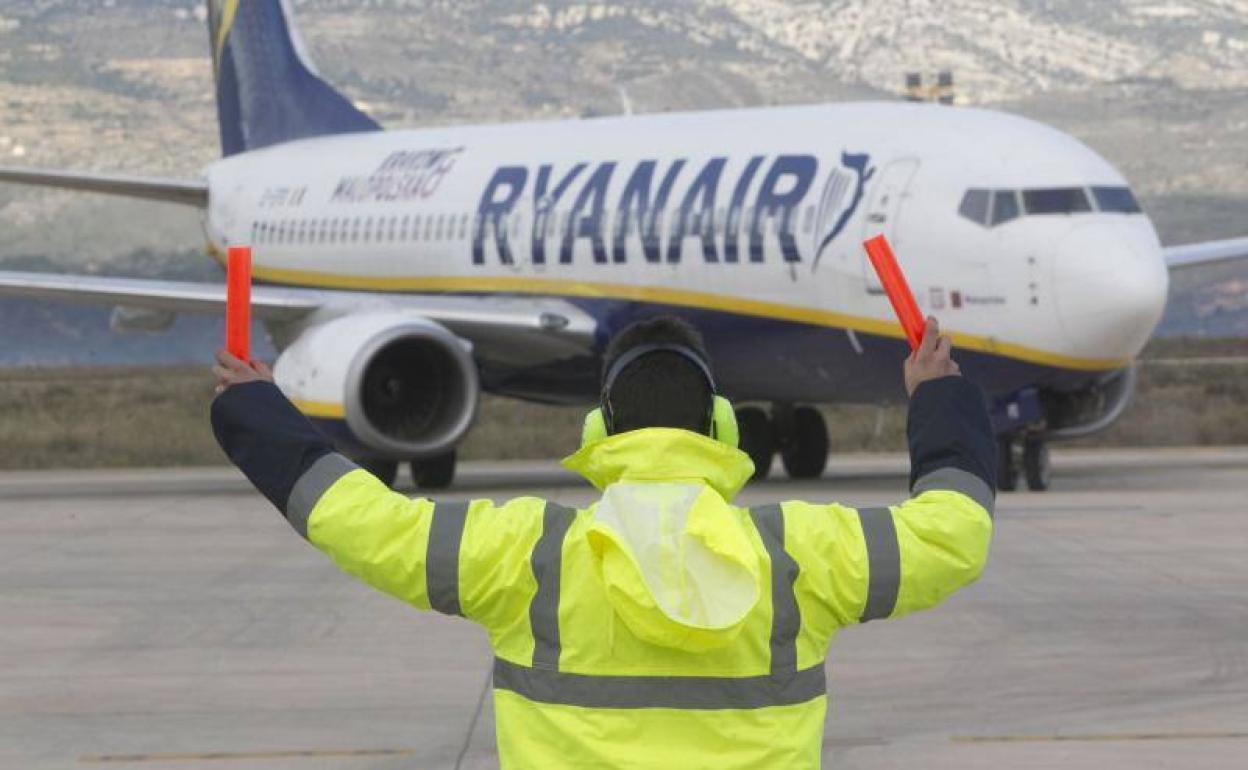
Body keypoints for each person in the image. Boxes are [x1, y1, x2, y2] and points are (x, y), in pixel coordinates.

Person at [210, 314, 994, 769]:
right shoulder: (798, 553)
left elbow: (360, 520)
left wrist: (260, 415)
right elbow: (953, 532)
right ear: (719, 428)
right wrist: (941, 401)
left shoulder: (528, 553)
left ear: (602, 429)